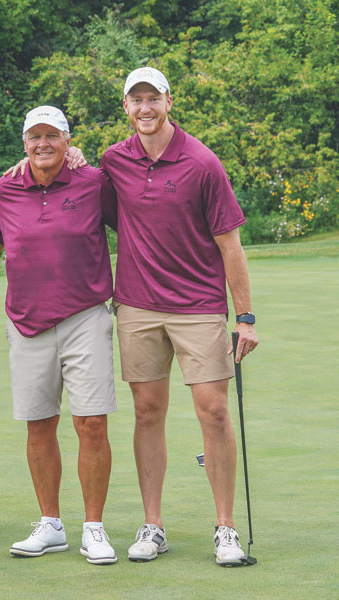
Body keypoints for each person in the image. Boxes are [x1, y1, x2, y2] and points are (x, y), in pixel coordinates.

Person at [101, 67, 259, 566]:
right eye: (135, 100)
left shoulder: (202, 162)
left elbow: (230, 244)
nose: (144, 108)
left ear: (169, 102)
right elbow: (83, 195)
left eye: (153, 98)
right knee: (147, 412)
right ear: (125, 108)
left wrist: (246, 316)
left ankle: (226, 528)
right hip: (138, 306)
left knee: (213, 412)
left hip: (198, 307)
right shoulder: (114, 161)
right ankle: (153, 525)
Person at [0, 106, 120, 564]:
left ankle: (94, 528)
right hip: (26, 322)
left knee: (92, 423)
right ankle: (50, 524)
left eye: (52, 135)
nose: (42, 143)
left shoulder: (94, 182)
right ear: (24, 142)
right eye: (34, 136)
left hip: (85, 316)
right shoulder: (5, 188)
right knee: (39, 424)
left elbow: (132, 226)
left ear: (68, 140)